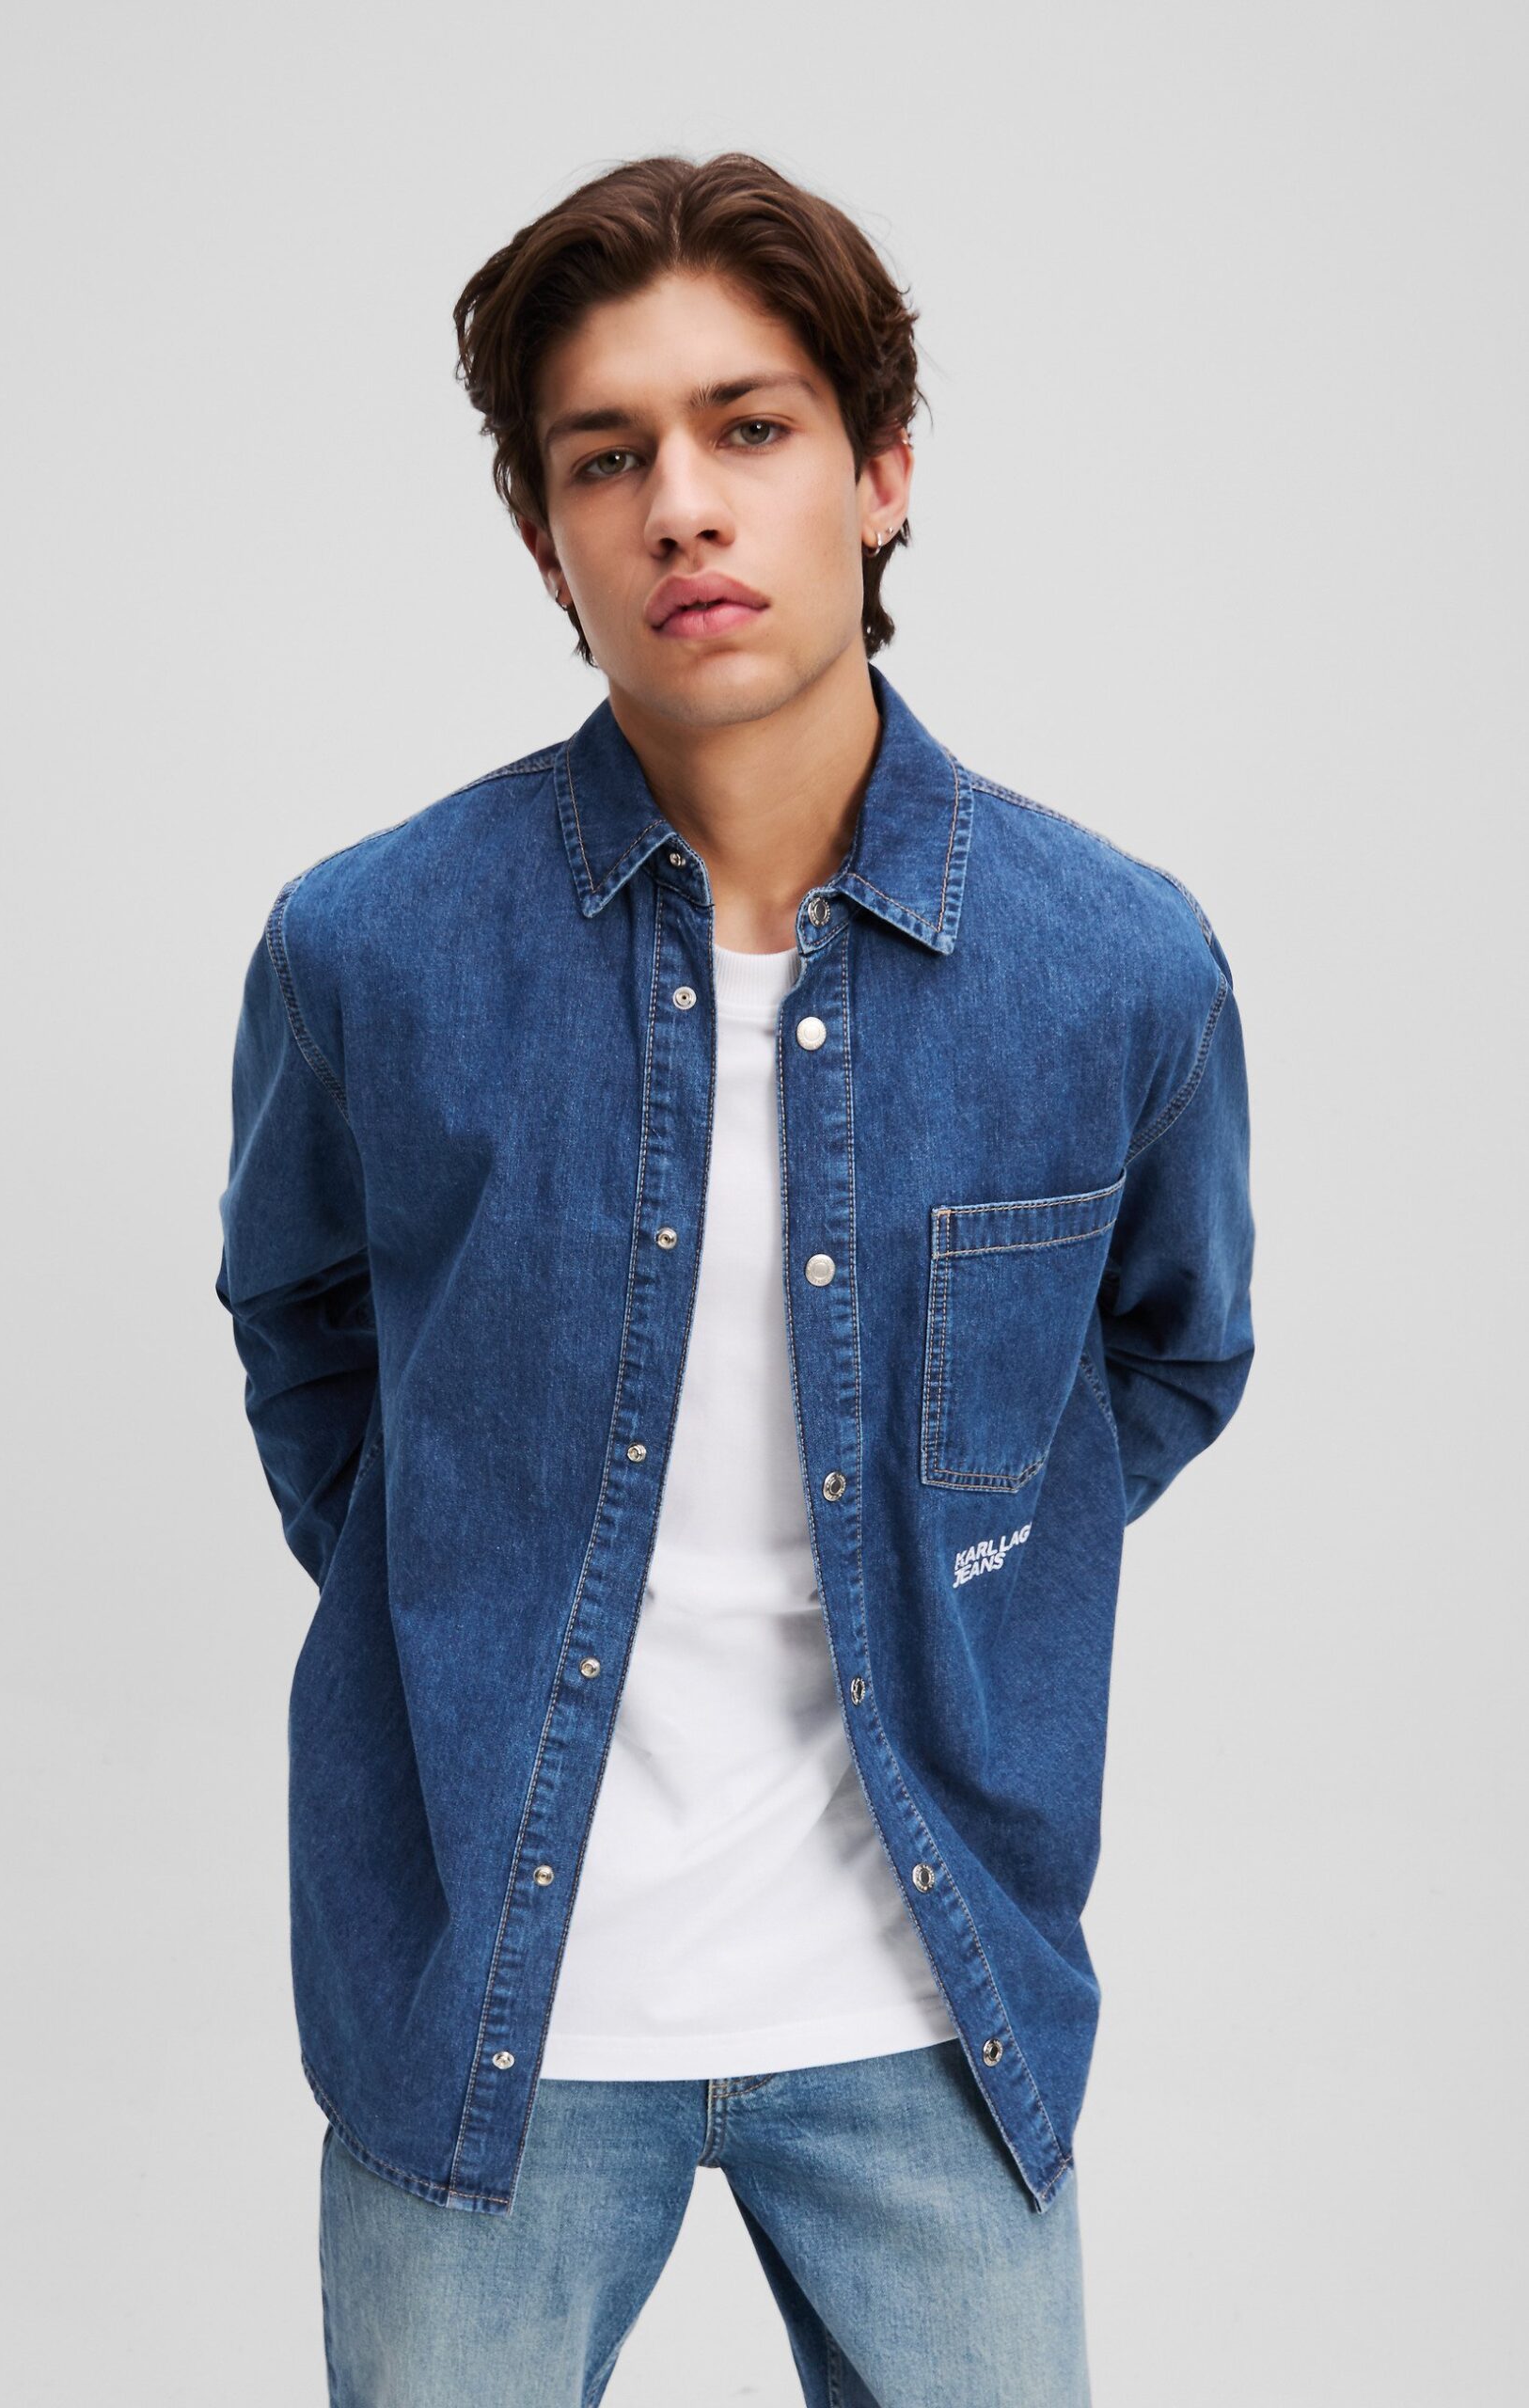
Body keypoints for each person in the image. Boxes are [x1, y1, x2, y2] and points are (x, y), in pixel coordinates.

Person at [214, 150, 1255, 2408]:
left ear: (880, 475)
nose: (680, 504)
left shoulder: (1112, 966)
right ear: (546, 538)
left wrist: (963, 1576)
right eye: (607, 457)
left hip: (926, 2001)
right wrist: (455, 1583)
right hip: (486, 2008)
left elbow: (1168, 1352)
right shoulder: (370, 950)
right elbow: (303, 1332)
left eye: (749, 427)